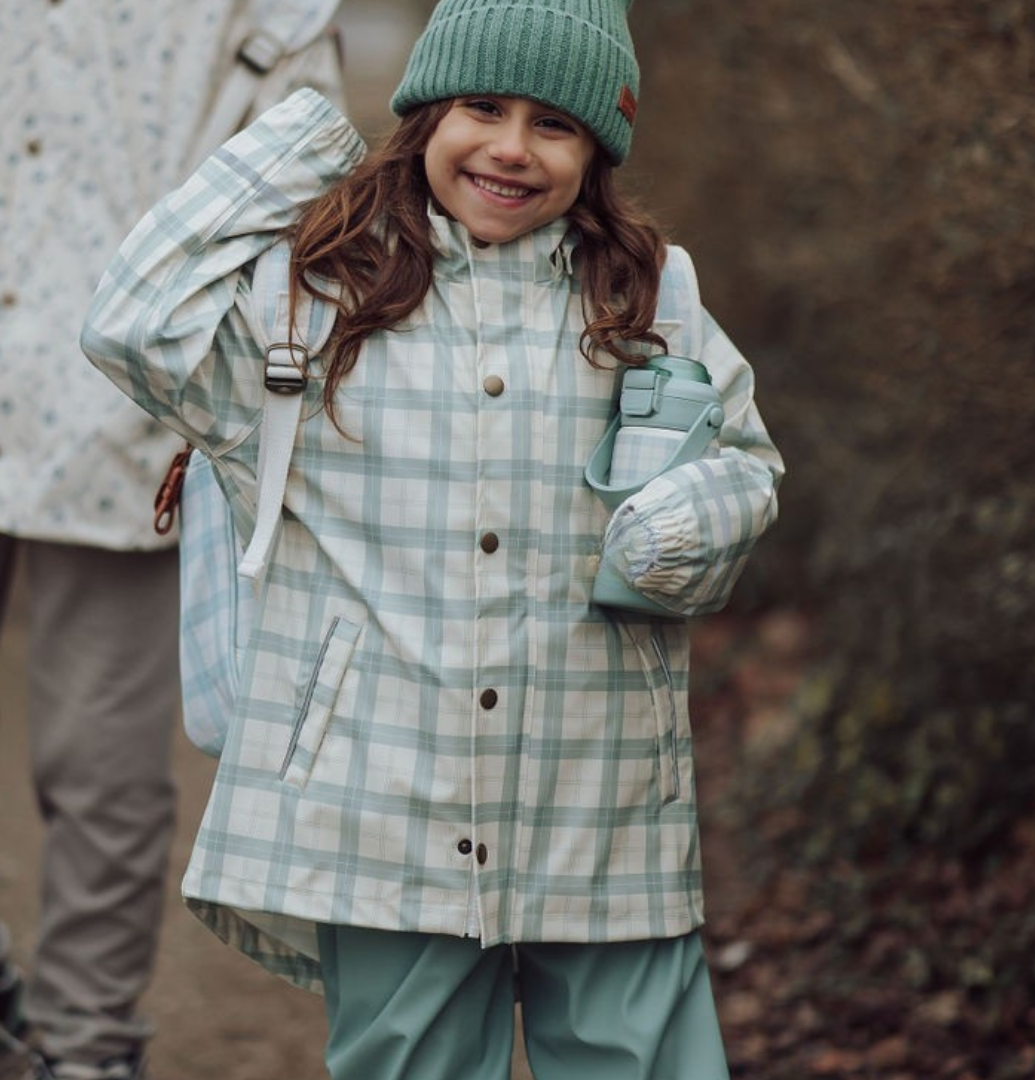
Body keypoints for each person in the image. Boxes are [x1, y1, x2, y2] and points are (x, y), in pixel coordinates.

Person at [81, 0, 784, 1076]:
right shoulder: (304, 304)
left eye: (554, 124)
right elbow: (126, 323)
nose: (510, 146)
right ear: (423, 117)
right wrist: (306, 137)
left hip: (601, 805)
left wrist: (684, 524)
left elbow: (746, 461)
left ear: (597, 148)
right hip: (381, 810)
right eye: (481, 107)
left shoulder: (652, 295)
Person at [0, 4, 343, 1079]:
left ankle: (83, 1046)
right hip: (98, 400)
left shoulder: (267, 10)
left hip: (108, 412)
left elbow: (312, 170)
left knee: (97, 762)